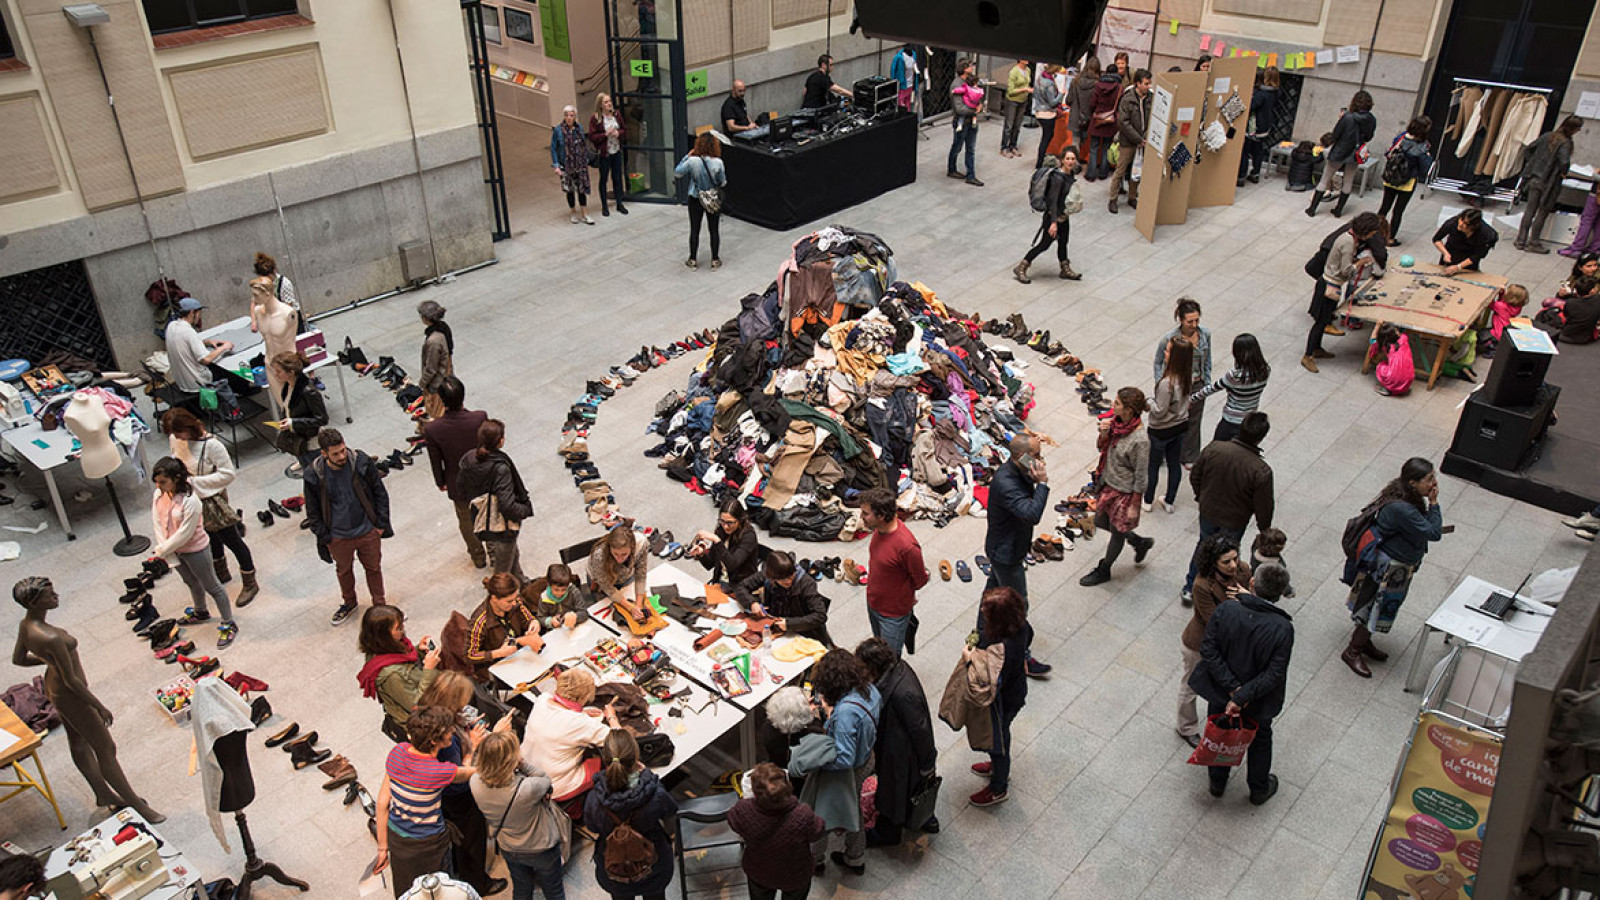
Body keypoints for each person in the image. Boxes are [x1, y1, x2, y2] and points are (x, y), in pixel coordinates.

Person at [11, 577, 165, 824]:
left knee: (79, 742)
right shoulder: (51, 637)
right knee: (106, 748)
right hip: (71, 695)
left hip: (54, 686)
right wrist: (98, 705)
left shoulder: (26, 625)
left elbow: (18, 659)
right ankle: (137, 805)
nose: (56, 596)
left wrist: (48, 662)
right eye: (50, 595)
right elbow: (72, 681)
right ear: (35, 602)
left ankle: (103, 793)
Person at [1188, 563, 1293, 804]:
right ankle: (1258, 788)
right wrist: (1243, 695)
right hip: (1259, 699)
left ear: (1253, 584)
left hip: (1220, 692)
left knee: (1220, 730)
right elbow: (1274, 673)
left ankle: (1217, 780)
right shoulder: (1282, 628)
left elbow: (1209, 649)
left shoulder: (1226, 610)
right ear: (1280, 592)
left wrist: (1232, 689)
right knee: (1261, 737)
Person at [374, 706, 489, 898]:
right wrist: (472, 747)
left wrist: (382, 848)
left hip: (398, 837)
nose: (453, 732)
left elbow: (382, 803)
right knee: (440, 890)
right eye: (450, 730)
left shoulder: (397, 752)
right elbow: (469, 772)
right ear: (436, 741)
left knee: (407, 888)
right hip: (429, 844)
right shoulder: (438, 772)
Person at [1343, 458, 1444, 677]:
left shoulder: (1406, 498)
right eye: (1428, 479)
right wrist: (1434, 504)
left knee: (1377, 606)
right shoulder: (1403, 508)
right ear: (1412, 483)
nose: (1433, 483)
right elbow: (1434, 532)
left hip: (1396, 564)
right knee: (1372, 606)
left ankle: (1364, 641)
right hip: (1387, 567)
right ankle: (1353, 650)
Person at [415, 672, 507, 897]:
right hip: (459, 798)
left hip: (440, 795)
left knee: (459, 838)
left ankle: (460, 866)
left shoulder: (427, 713)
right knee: (472, 839)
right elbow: (457, 776)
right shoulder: (447, 741)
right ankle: (478, 883)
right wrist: (476, 744)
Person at [788, 649, 880, 875]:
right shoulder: (870, 690)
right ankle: (855, 858)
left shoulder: (845, 713)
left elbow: (844, 757)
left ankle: (816, 860)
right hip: (867, 757)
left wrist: (816, 765)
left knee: (822, 813)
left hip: (848, 770)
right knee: (853, 808)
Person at [162, 408, 259, 605]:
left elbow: (227, 474)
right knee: (209, 537)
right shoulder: (176, 440)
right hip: (190, 500)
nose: (177, 437)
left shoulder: (212, 445)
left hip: (211, 500)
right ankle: (221, 572)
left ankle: (250, 581)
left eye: (179, 433)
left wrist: (195, 482)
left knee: (232, 540)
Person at [1182, 411, 1274, 603]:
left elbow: (1195, 475)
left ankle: (1191, 586)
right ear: (1261, 437)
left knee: (1204, 545)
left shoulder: (1215, 448)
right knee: (1228, 554)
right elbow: (1264, 505)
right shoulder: (1260, 470)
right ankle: (1221, 591)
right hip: (1234, 520)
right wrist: (1264, 529)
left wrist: (1201, 496)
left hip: (1208, 511)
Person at [303, 426, 392, 626]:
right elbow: (313, 510)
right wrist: (325, 536)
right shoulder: (314, 475)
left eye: (343, 450)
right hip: (338, 535)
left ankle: (380, 605)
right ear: (324, 453)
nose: (342, 455)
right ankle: (349, 602)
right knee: (343, 570)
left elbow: (380, 493)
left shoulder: (360, 462)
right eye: (335, 453)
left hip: (366, 529)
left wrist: (379, 525)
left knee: (373, 568)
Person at [470, 729, 570, 900]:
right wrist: (522, 764)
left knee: (522, 888)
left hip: (509, 846)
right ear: (512, 760)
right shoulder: (527, 788)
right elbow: (545, 779)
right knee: (554, 891)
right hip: (541, 847)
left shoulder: (475, 782)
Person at [856, 637, 938, 844]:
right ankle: (925, 818)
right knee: (909, 790)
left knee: (895, 793)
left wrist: (928, 764)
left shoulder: (904, 693)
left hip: (902, 754)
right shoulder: (895, 672)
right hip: (897, 747)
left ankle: (887, 833)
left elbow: (920, 730)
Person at [982, 433, 1051, 677]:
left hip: (1005, 548)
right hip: (1006, 554)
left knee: (991, 596)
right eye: (1036, 455)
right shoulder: (1006, 482)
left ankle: (981, 639)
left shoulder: (1019, 471)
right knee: (1017, 604)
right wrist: (1042, 484)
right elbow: (1031, 513)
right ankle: (1022, 656)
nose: (1041, 460)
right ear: (1021, 456)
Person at [150, 457, 239, 647]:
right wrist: (165, 550)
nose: (159, 486)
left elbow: (186, 532)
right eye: (157, 482)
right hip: (174, 550)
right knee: (190, 581)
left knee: (212, 585)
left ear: (176, 478)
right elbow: (157, 520)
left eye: (163, 481)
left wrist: (163, 550)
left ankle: (228, 623)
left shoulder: (191, 501)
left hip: (194, 549)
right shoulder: (160, 494)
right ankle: (201, 611)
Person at [583, 729, 678, 900]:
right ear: (636, 758)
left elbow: (591, 826)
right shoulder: (654, 792)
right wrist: (648, 775)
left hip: (614, 868)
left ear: (605, 760)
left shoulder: (594, 798)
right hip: (654, 866)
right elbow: (671, 810)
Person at [1177, 534, 1249, 747]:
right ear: (1213, 562)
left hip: (1228, 643)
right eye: (1226, 562)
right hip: (1199, 644)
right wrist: (1238, 600)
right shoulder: (1202, 585)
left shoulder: (1243, 570)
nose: (1233, 565)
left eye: (1235, 558)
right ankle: (1186, 727)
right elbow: (1214, 620)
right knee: (1190, 686)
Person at [1079, 387, 1153, 587]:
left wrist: (1135, 505)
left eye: (1117, 404)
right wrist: (1104, 433)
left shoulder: (1140, 440)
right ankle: (1138, 541)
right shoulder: (1116, 425)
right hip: (1108, 483)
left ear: (1129, 409)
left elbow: (1141, 474)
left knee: (1117, 532)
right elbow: (1101, 447)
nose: (1113, 406)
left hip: (1124, 492)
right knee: (1102, 522)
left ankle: (1105, 568)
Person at [524, 668, 621, 816]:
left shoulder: (542, 700)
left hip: (526, 771)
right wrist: (611, 717)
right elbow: (620, 739)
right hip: (554, 785)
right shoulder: (580, 723)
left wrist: (581, 712)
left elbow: (560, 716)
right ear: (584, 697)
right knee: (607, 763)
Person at [967, 586, 1031, 807]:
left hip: (1003, 701)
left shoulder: (1002, 648)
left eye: (987, 611)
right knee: (1000, 736)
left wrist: (970, 656)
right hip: (1015, 692)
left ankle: (998, 787)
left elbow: (989, 678)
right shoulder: (1021, 627)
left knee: (999, 741)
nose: (982, 612)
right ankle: (996, 768)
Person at [727, 763, 826, 900]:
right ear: (788, 788)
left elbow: (733, 821)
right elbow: (818, 831)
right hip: (795, 873)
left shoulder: (744, 810)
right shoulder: (803, 814)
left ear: (755, 791)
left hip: (759, 871)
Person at [1304, 212, 1386, 372]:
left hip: (1331, 283)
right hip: (1329, 285)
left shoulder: (1348, 237)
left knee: (1325, 319)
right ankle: (1308, 356)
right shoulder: (1348, 243)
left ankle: (1317, 348)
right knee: (1320, 322)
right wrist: (1361, 262)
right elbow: (1346, 270)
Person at [424, 376, 491, 569]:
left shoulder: (433, 429)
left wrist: (440, 481)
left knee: (466, 520)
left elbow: (436, 460)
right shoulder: (479, 417)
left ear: (442, 400)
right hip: (484, 477)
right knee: (490, 512)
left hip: (457, 481)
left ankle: (478, 556)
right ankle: (494, 551)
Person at [455, 418, 533, 579]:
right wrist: (524, 510)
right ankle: (499, 596)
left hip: (483, 519)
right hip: (500, 524)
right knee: (502, 572)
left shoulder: (468, 458)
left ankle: (521, 581)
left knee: (512, 554)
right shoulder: (500, 467)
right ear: (500, 441)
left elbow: (460, 488)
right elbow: (507, 505)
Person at [857, 487, 928, 656]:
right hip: (874, 602)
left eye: (865, 513)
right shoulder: (879, 531)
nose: (861, 517)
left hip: (893, 614)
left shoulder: (907, 546)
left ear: (881, 516)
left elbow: (920, 580)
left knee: (889, 660)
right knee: (878, 651)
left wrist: (905, 595)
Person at [357, 605, 440, 740]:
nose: (403, 630)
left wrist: (418, 650)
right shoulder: (391, 676)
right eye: (398, 628)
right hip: (422, 725)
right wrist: (429, 670)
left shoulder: (383, 647)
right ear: (383, 634)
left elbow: (402, 659)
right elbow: (417, 705)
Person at [1153, 299, 1212, 464]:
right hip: (1176, 385)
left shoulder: (1205, 335)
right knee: (1171, 419)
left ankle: (1189, 456)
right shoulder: (1170, 338)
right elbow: (1158, 361)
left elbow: (1207, 360)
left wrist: (1206, 381)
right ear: (1181, 319)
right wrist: (1160, 383)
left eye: (1196, 320)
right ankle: (1167, 452)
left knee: (1194, 421)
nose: (1193, 325)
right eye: (1190, 321)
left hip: (1196, 384)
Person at [1013, 149, 1083, 284]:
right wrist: (1053, 223)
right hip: (1053, 217)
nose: (1071, 162)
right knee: (1044, 244)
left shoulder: (1071, 172)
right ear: (1062, 160)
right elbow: (1053, 201)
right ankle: (1021, 267)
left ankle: (1065, 269)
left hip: (1063, 216)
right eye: (1068, 159)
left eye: (1073, 159)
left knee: (1063, 243)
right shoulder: (1057, 178)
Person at [733, 551, 833, 646]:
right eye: (783, 579)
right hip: (776, 627)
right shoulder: (767, 575)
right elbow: (741, 587)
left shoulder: (806, 584)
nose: (789, 581)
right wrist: (752, 603)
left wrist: (789, 624)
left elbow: (820, 615)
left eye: (791, 576)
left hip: (802, 632)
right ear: (772, 578)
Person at [1516, 115, 1584, 253]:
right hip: (1549, 182)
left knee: (1530, 209)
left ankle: (1520, 240)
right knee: (1542, 212)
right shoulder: (1565, 143)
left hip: (1535, 177)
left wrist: (1533, 165)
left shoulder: (1548, 136)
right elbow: (1564, 162)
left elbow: (1529, 149)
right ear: (1573, 129)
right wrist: (1563, 172)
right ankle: (1533, 242)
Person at [1306, 90, 1377, 217]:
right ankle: (1338, 210)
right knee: (1348, 181)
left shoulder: (1347, 117)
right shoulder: (1371, 119)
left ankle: (1312, 209)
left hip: (1340, 151)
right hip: (1355, 154)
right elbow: (1368, 137)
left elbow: (1336, 134)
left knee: (1325, 178)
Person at [464, 573, 545, 681]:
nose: (514, 603)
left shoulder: (515, 602)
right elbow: (469, 655)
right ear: (494, 598)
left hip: (518, 653)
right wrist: (498, 653)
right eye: (509, 601)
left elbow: (528, 617)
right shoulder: (480, 622)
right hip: (497, 664)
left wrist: (533, 623)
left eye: (515, 598)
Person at [1146, 336, 1193, 513]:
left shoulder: (1167, 383)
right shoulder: (1187, 377)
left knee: (1153, 464)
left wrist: (1148, 401)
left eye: (1167, 350)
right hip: (1180, 426)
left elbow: (1159, 410)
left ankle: (1148, 499)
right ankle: (1170, 500)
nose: (1164, 353)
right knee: (1174, 463)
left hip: (1161, 430)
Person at [1194, 333, 1270, 442]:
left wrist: (1193, 398)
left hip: (1230, 421)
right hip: (1248, 422)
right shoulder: (1265, 372)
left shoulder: (1234, 376)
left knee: (1217, 449)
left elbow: (1211, 389)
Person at [267, 351, 327, 476]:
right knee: (308, 472)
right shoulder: (289, 386)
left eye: (279, 371)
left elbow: (322, 419)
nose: (276, 374)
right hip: (299, 439)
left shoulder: (308, 391)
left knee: (318, 475)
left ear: (291, 372)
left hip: (311, 442)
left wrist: (293, 422)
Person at [1376, 117, 1434, 244]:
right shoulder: (1422, 146)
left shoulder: (1401, 137)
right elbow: (1425, 169)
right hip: (1406, 182)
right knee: (1398, 211)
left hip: (1391, 177)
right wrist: (1428, 157)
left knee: (1384, 207)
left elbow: (1389, 153)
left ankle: (1374, 232)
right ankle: (1390, 238)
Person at [674, 131, 726, 270]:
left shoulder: (692, 161)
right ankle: (715, 260)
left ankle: (692, 259)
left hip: (695, 197)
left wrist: (687, 156)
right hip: (712, 198)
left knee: (695, 229)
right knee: (714, 229)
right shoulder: (718, 162)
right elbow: (722, 182)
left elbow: (677, 172)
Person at [164, 297, 233, 397]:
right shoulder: (189, 332)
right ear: (192, 313)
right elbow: (205, 359)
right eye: (199, 313)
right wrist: (223, 347)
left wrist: (206, 342)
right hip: (196, 383)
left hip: (181, 381)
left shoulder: (172, 325)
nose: (199, 316)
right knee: (225, 368)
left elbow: (184, 343)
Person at [1108, 68, 1152, 214]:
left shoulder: (1150, 98)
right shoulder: (1127, 99)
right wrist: (1137, 138)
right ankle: (1113, 199)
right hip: (1128, 141)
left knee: (1137, 170)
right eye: (1146, 83)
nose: (1148, 86)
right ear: (1137, 83)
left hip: (1143, 140)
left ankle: (1132, 196)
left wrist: (1145, 136)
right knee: (1120, 170)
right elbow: (1123, 122)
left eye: (1149, 83)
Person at [587, 526, 651, 626]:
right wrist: (630, 607)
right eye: (615, 553)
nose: (620, 559)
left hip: (625, 575)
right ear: (609, 548)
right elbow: (607, 587)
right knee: (607, 618)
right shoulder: (599, 555)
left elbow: (640, 573)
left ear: (632, 547)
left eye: (624, 554)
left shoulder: (641, 544)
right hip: (602, 582)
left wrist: (638, 606)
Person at [688, 498, 759, 585]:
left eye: (730, 523)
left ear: (740, 520)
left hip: (740, 586)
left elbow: (732, 565)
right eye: (722, 521)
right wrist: (701, 554)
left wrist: (717, 541)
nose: (725, 526)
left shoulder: (749, 536)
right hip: (720, 581)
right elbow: (709, 565)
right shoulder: (720, 531)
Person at [549, 105, 594, 225]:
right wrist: (556, 165)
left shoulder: (579, 129)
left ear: (575, 117)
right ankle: (573, 212)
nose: (569, 118)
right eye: (567, 115)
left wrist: (585, 159)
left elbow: (583, 146)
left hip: (579, 164)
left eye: (571, 115)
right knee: (570, 190)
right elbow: (553, 148)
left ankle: (584, 214)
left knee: (582, 189)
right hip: (566, 165)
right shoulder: (558, 130)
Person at [589, 93, 631, 215]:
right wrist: (605, 134)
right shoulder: (596, 118)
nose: (609, 104)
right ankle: (604, 206)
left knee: (617, 177)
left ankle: (619, 203)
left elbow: (624, 129)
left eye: (610, 101)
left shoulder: (616, 115)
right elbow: (592, 136)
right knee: (604, 179)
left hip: (616, 150)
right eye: (606, 102)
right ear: (601, 105)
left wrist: (618, 133)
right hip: (604, 153)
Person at [1237, 68, 1280, 187]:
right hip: (1265, 127)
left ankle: (1241, 176)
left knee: (1245, 152)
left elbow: (1250, 107)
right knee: (1258, 151)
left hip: (1253, 127)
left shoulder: (1261, 95)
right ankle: (1255, 173)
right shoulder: (1275, 92)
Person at [947, 59, 985, 186]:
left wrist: (978, 105)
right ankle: (952, 169)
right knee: (957, 147)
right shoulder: (957, 85)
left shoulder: (969, 81)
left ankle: (970, 175)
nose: (972, 67)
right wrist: (975, 110)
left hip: (971, 120)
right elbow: (959, 108)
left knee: (970, 149)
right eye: (970, 66)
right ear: (964, 69)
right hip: (962, 122)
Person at [1085, 60, 1123, 183]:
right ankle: (1103, 173)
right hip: (1110, 121)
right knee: (1106, 148)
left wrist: (1094, 112)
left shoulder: (1098, 85)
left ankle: (1090, 174)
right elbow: (1120, 106)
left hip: (1097, 119)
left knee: (1094, 148)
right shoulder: (1119, 88)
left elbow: (1092, 103)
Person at [416, 300, 453, 422]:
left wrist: (421, 383)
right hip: (446, 373)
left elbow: (431, 368)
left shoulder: (434, 341)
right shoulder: (444, 327)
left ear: (426, 318)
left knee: (436, 413)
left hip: (437, 381)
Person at [528, 563, 593, 632]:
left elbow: (584, 612)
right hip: (556, 631)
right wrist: (550, 621)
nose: (560, 593)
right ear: (549, 585)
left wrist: (575, 617)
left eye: (564, 590)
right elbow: (540, 618)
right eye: (556, 590)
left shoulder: (574, 592)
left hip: (574, 628)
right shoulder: (544, 598)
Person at [1433, 208, 1496, 274]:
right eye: (1461, 219)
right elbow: (1436, 239)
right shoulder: (1453, 223)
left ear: (1473, 227)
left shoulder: (1485, 235)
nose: (1460, 224)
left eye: (1465, 223)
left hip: (1469, 257)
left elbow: (1477, 255)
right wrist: (1445, 253)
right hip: (1452, 250)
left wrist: (1458, 267)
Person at [1069, 57, 1103, 178]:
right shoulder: (1098, 85)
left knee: (1075, 141)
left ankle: (1073, 164)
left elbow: (1069, 99)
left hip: (1075, 115)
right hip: (1089, 118)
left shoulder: (1075, 81)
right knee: (1084, 141)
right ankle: (1078, 162)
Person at [251, 252, 300, 326]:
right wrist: (254, 322)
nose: (266, 280)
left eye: (268, 277)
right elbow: (254, 302)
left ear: (274, 271)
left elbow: (287, 308)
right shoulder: (260, 285)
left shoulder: (285, 284)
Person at [1368, 323, 1415, 396]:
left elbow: (1372, 340)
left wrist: (1377, 325)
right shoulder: (1404, 338)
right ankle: (1399, 387)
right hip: (1409, 379)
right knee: (1398, 367)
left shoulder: (1385, 347)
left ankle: (1389, 389)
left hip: (1392, 379)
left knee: (1381, 365)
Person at [1032, 63, 1064, 168]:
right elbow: (1052, 102)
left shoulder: (1039, 78)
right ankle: (1040, 163)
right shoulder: (1049, 83)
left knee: (1045, 137)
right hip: (1047, 114)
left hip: (1038, 111)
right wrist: (1061, 94)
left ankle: (1040, 160)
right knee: (1046, 138)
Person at [999, 59, 1032, 158]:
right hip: (1013, 100)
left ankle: (1013, 145)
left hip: (1023, 100)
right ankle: (1004, 147)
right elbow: (1010, 91)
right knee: (1009, 125)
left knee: (1017, 125)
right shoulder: (1014, 72)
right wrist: (1025, 89)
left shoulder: (1028, 70)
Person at [1250, 528, 1294, 599]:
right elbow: (1281, 581)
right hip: (1269, 589)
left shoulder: (1255, 547)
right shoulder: (1277, 565)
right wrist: (1288, 592)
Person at [1564, 182, 1600, 258]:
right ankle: (1595, 249)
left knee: (1587, 220)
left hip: (1596, 193)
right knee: (1598, 223)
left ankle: (1576, 248)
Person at [890, 45, 919, 111]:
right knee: (901, 104)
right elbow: (893, 70)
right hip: (902, 86)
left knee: (908, 104)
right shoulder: (899, 57)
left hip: (911, 85)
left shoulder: (914, 56)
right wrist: (894, 83)